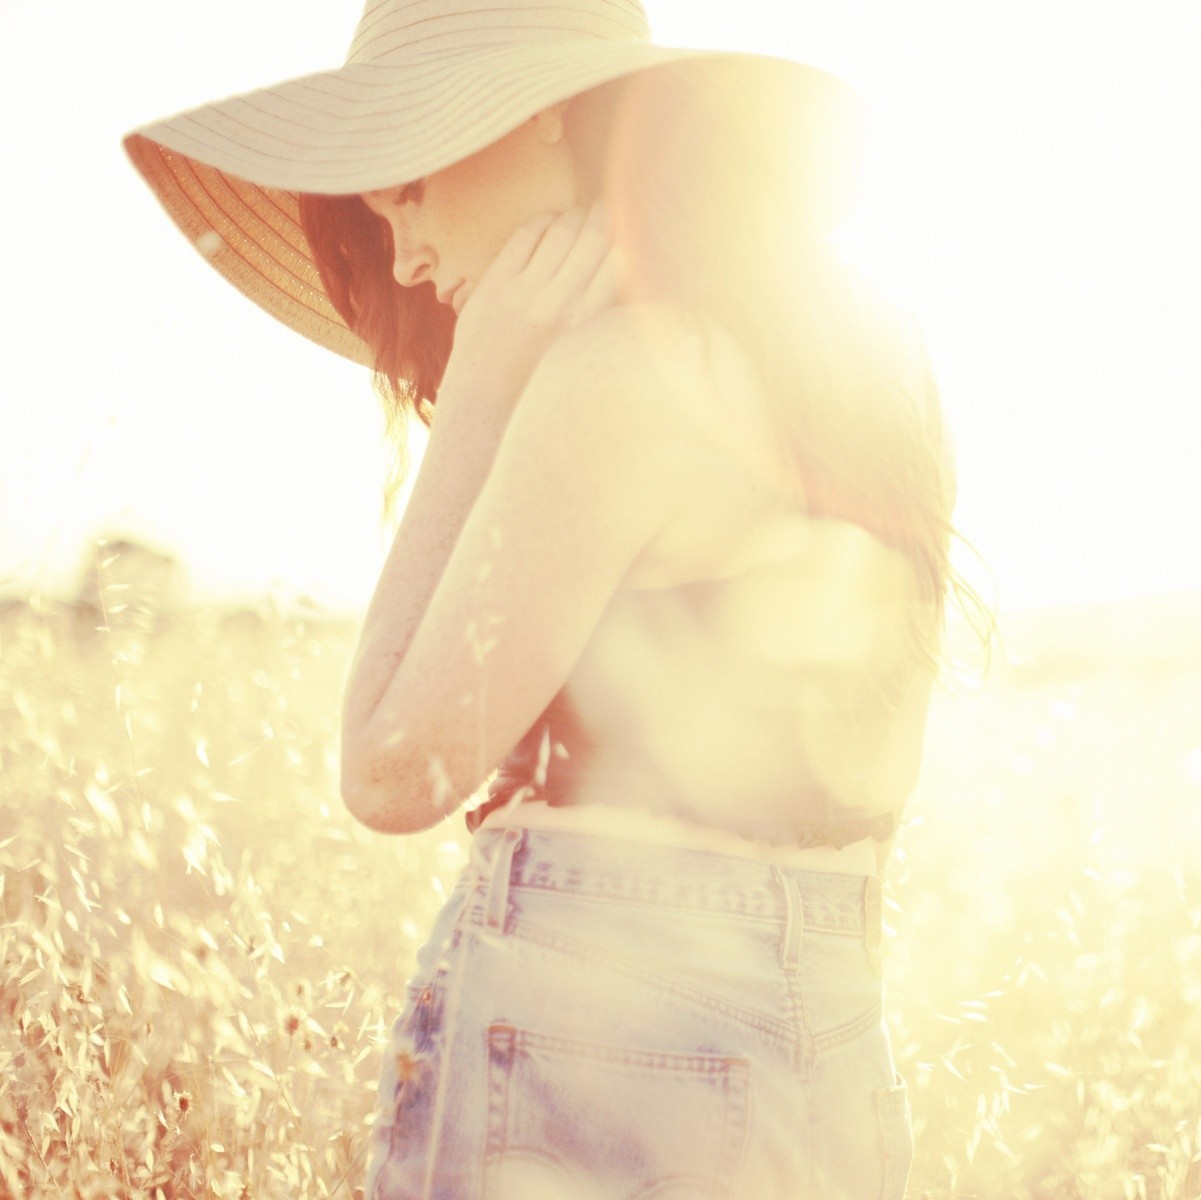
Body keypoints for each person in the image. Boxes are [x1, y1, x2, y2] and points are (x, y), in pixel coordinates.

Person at [123, 1, 986, 1196]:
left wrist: (484, 386)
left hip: (601, 1027)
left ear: (534, 118)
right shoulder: (860, 365)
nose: (406, 253)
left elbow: (389, 770)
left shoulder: (617, 376)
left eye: (405, 185)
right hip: (830, 1035)